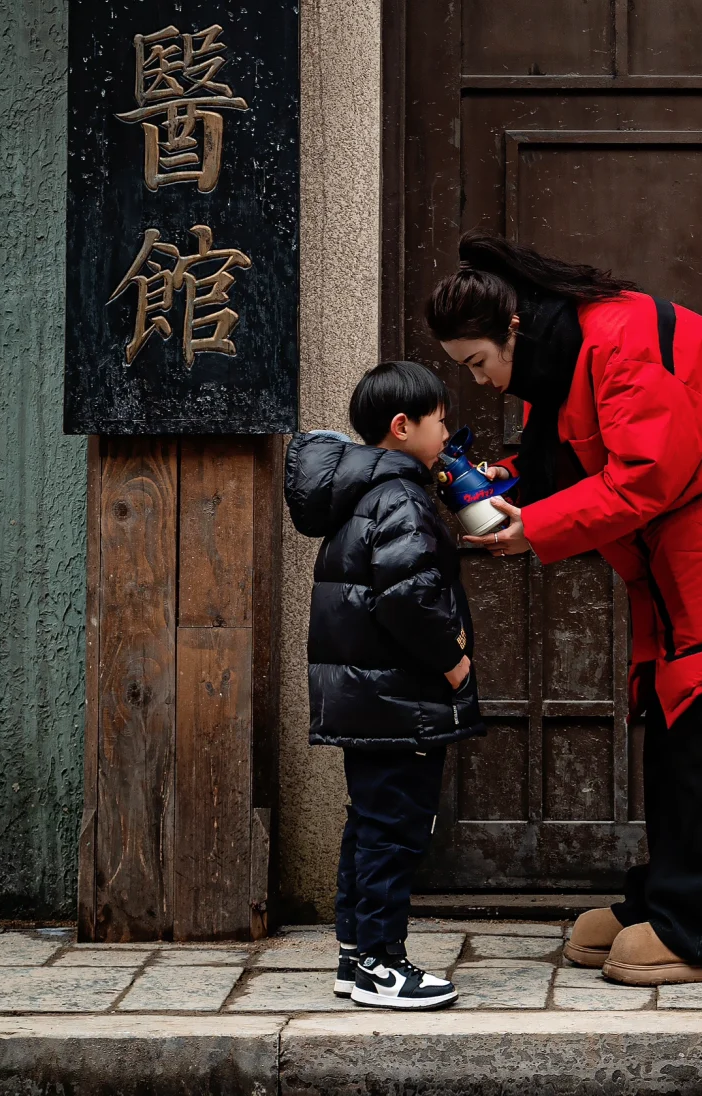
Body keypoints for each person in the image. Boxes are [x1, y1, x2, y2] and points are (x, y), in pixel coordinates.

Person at [426, 234, 702, 988]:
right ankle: (661, 900)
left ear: (512, 328)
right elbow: (564, 459)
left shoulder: (620, 341)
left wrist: (532, 528)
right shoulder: (568, 351)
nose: (485, 382)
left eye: (478, 364)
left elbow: (644, 478)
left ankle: (698, 932)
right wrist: (497, 482)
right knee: (675, 734)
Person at [284, 361, 483, 1010]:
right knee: (394, 830)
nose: (447, 430)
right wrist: (454, 660)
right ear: (402, 427)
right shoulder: (398, 495)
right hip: (401, 701)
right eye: (439, 420)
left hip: (370, 697)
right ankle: (379, 965)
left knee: (371, 824)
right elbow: (409, 596)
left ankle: (356, 956)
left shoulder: (361, 491)